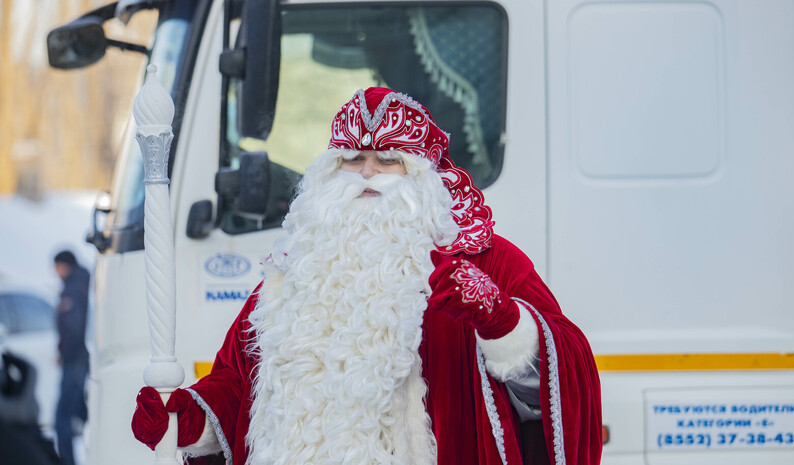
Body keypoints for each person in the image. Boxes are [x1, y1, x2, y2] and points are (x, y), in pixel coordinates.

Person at [131, 87, 602, 465]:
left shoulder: (486, 261)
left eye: (389, 159)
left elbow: (558, 388)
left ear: (424, 177)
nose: (368, 174)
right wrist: (190, 420)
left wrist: (504, 323)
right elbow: (239, 383)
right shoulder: (292, 272)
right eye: (352, 160)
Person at [53, 250, 89, 465]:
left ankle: (66, 461)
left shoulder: (73, 289)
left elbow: (73, 327)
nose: (56, 272)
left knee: (62, 416)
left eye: (57, 267)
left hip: (74, 360)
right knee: (79, 410)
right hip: (76, 358)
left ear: (65, 265)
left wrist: (65, 352)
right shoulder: (79, 284)